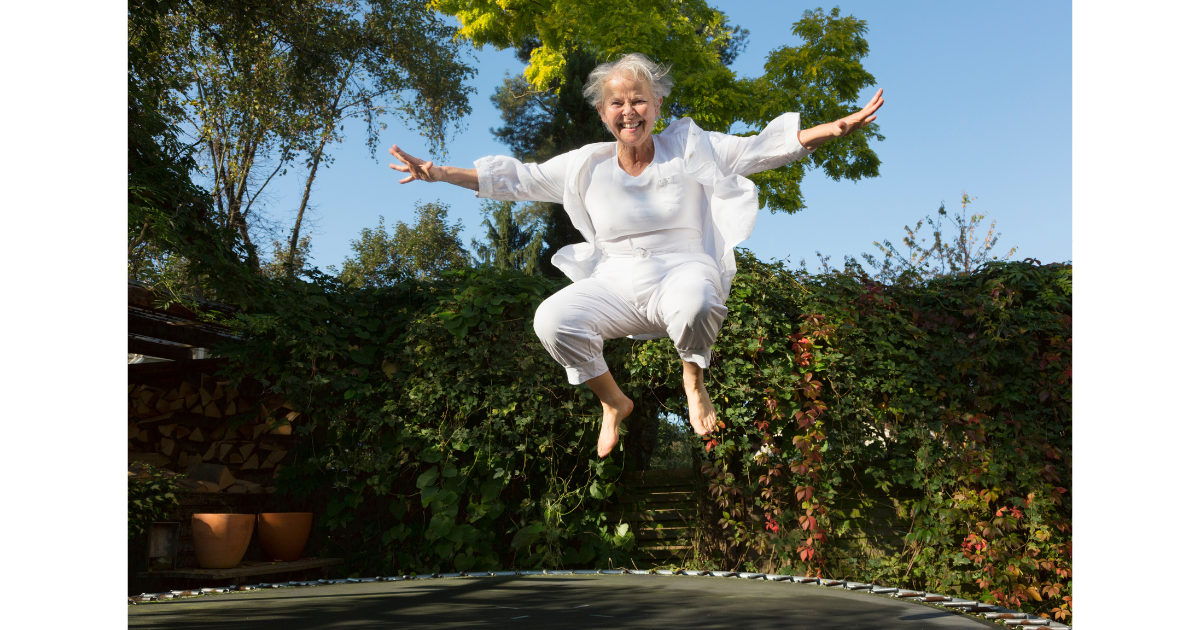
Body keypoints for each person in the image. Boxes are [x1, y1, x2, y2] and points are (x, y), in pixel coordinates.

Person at [388, 53, 883, 458]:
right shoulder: (586, 165)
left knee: (696, 303)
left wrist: (831, 129)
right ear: (604, 114)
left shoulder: (690, 146)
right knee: (552, 318)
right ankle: (613, 402)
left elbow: (761, 149)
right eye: (617, 103)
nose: (629, 111)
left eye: (639, 100)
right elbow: (518, 179)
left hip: (684, 268)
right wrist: (439, 172)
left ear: (657, 105)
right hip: (617, 281)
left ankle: (694, 380)